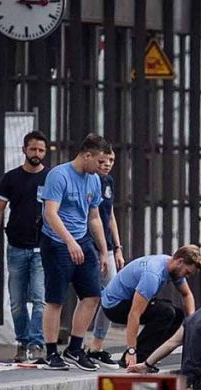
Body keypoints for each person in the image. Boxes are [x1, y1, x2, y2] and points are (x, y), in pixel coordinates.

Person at [39, 133, 111, 371]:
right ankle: (51, 351)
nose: (103, 167)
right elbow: (50, 213)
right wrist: (69, 241)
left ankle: (75, 347)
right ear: (86, 155)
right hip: (57, 242)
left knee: (92, 295)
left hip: (83, 240)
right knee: (55, 298)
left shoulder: (93, 180)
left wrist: (103, 250)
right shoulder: (59, 175)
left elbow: (94, 217)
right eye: (100, 162)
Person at [0, 131, 49, 363]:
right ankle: (22, 342)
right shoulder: (11, 178)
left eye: (41, 150)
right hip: (16, 246)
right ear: (24, 150)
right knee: (17, 299)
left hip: (42, 247)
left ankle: (37, 342)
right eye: (33, 149)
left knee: (40, 298)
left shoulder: (50, 177)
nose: (37, 154)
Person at [98, 245, 201, 367]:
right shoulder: (153, 274)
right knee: (166, 313)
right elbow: (134, 313)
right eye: (187, 272)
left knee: (177, 315)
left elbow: (187, 294)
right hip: (114, 306)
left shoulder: (172, 267)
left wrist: (191, 322)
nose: (186, 276)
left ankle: (150, 356)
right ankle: (136, 359)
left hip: (125, 300)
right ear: (180, 262)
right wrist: (131, 350)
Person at [85, 149, 126, 366]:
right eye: (103, 160)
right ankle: (79, 343)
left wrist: (117, 247)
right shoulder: (86, 179)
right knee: (89, 295)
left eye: (111, 160)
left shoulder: (107, 181)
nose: (107, 164)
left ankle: (97, 344)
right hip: (88, 244)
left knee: (111, 296)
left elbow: (109, 216)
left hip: (107, 247)